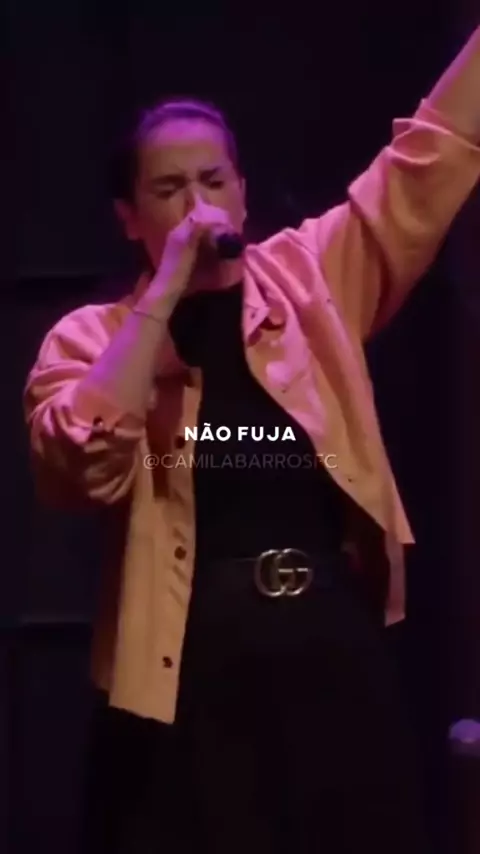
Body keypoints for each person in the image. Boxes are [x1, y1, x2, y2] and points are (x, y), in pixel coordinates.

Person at [23, 26, 480, 854]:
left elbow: (428, 159)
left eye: (213, 180)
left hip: (325, 646)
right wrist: (165, 293)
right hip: (188, 670)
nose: (197, 206)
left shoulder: (312, 279)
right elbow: (82, 467)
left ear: (241, 192)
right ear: (128, 216)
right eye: (169, 189)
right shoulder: (92, 340)